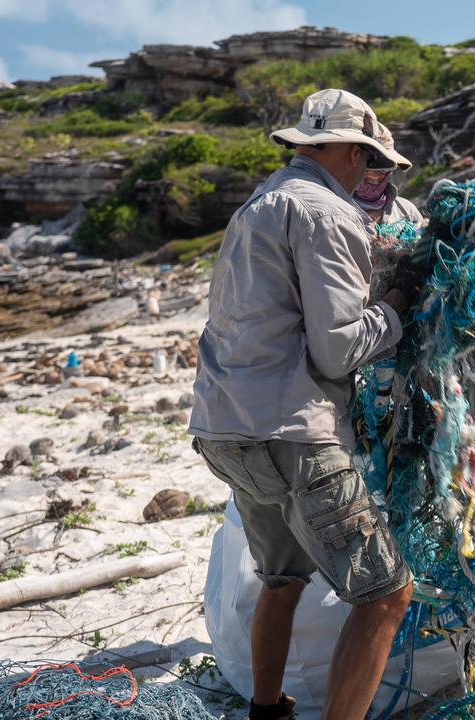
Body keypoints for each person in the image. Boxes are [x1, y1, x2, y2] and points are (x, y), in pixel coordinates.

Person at [188, 88, 418, 720]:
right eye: (369, 160)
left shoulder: (258, 204)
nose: (372, 173)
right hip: (294, 432)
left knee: (281, 580)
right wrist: (396, 306)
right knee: (385, 595)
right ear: (347, 150)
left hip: (224, 427)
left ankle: (268, 709)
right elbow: (339, 351)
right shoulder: (326, 212)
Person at [353, 121, 424, 227]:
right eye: (368, 167)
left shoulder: (406, 211)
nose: (374, 175)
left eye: (383, 168)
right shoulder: (334, 212)